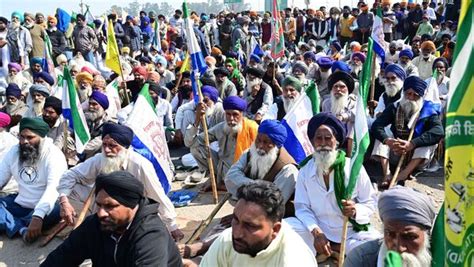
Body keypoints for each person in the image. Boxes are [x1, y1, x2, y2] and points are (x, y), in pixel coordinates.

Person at [57, 122, 183, 240]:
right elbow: (70, 175)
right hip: (104, 207)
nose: (106, 150)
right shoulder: (100, 159)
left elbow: (157, 195)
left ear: (124, 147)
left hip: (132, 210)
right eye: (104, 144)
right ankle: (92, 229)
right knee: (70, 190)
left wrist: (172, 226)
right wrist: (64, 202)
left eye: (112, 145)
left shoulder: (140, 165)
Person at [286, 113, 380, 260]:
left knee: (377, 247)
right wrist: (316, 232)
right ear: (312, 142)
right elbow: (302, 207)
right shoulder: (305, 171)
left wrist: (355, 210)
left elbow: (370, 202)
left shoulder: (353, 168)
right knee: (284, 229)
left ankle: (333, 249)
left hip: (350, 233)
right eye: (319, 138)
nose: (323, 143)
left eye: (328, 138)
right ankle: (330, 249)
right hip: (318, 231)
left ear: (336, 142)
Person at [41, 171, 183, 266]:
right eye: (99, 205)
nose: (101, 213)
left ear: (132, 205)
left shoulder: (151, 235)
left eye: (110, 206)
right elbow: (60, 258)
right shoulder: (95, 224)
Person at [197, 182, 317, 267]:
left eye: (250, 226)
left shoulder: (294, 259)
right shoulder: (226, 241)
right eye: (236, 219)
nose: (237, 233)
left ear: (275, 229)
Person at [0, 117, 67, 242]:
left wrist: (38, 216)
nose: (24, 141)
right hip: (20, 204)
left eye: (30, 137)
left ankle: (11, 223)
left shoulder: (54, 155)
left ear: (42, 137)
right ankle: (21, 229)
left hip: (46, 208)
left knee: (56, 210)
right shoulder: (14, 151)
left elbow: (53, 189)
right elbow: (1, 176)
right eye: (21, 137)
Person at [371, 76, 444, 188]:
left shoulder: (427, 111)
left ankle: (403, 175)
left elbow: (438, 131)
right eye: (408, 94)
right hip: (396, 151)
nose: (411, 97)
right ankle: (387, 174)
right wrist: (388, 141)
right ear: (404, 93)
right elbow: (377, 125)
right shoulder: (394, 107)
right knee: (381, 137)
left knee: (429, 144)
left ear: (421, 96)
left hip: (416, 158)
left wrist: (413, 144)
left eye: (415, 95)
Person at [344, 186, 436, 266]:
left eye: (409, 237)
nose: (399, 248)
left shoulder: (444, 257)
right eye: (390, 234)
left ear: (426, 234)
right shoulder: (360, 260)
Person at [184, 96, 258, 191]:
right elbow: (190, 143)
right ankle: (214, 177)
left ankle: (221, 185)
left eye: (235, 114)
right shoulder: (221, 127)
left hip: (245, 169)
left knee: (249, 187)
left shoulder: (253, 128)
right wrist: (197, 120)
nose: (231, 119)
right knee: (195, 147)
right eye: (228, 114)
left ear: (242, 114)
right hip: (222, 167)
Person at [225, 119, 297, 205]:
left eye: (266, 142)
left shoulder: (288, 170)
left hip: (272, 215)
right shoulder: (250, 153)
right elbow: (230, 177)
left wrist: (245, 184)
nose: (260, 146)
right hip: (249, 207)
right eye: (258, 140)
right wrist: (258, 185)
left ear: (276, 146)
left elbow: (273, 202)